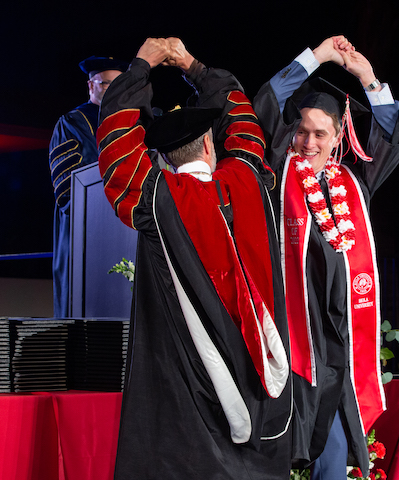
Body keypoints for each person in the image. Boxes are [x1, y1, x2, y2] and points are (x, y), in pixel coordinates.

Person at [97, 38, 292, 479]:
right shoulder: (250, 181)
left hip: (187, 432)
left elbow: (114, 140)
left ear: (163, 157)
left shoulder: (156, 200)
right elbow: (243, 120)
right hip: (260, 415)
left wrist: (141, 66)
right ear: (210, 145)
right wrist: (193, 65)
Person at [254, 36, 399, 478]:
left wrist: (368, 78)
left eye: (320, 133)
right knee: (288, 452)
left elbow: (391, 139)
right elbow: (265, 104)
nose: (308, 142)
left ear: (339, 136)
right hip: (291, 341)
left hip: (341, 345)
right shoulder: (275, 178)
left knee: (333, 454)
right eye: (301, 131)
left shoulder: (354, 185)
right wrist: (317, 57)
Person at [48, 55, 128, 317]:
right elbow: (67, 191)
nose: (112, 90)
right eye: (106, 84)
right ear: (90, 85)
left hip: (128, 228)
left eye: (118, 84)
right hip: (86, 232)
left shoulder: (134, 122)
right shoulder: (72, 123)